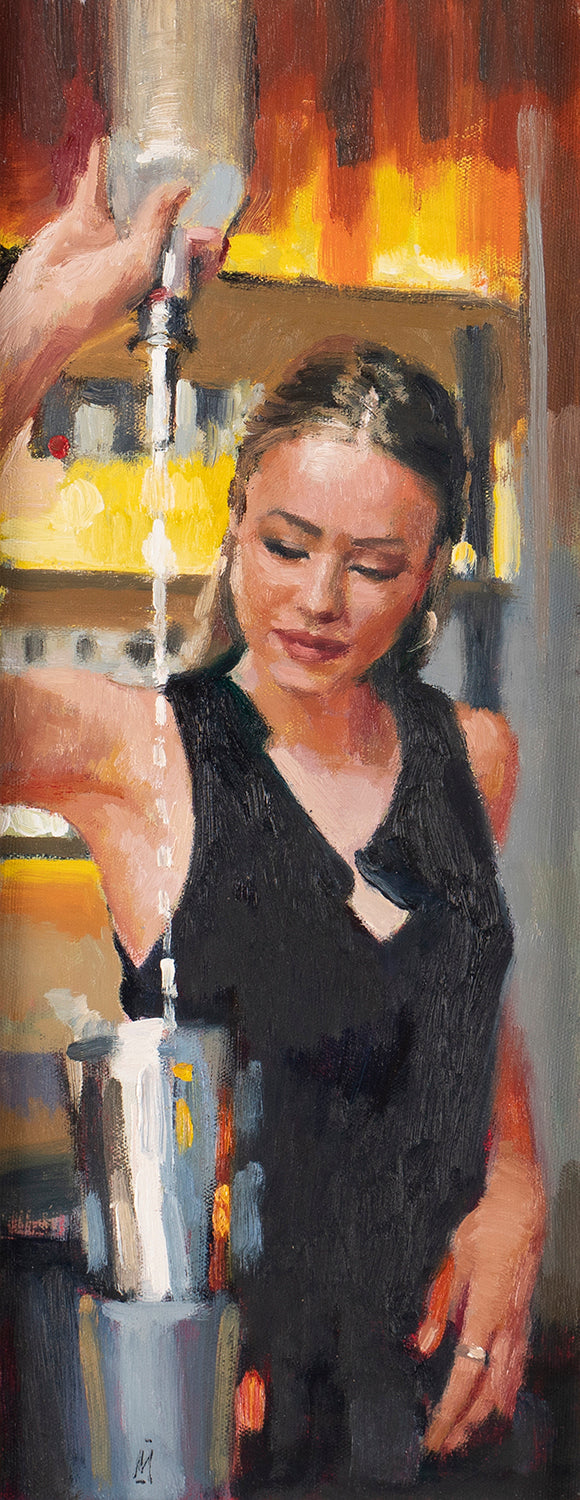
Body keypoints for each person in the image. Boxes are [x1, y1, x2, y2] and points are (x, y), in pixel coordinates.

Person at [0, 141, 546, 1487]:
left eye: (373, 565)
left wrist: (517, 1189)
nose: (316, 601)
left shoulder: (471, 755)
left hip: (461, 1409)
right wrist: (42, 326)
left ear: (429, 576)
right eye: (287, 545)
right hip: (230, 1424)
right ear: (234, 521)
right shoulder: (139, 755)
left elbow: (467, 1003)